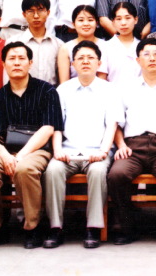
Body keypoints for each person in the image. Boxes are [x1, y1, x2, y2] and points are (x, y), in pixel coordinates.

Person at [0, 42, 62, 249]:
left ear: (30, 63)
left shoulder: (47, 91)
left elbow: (48, 129)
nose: (16, 63)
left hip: (37, 149)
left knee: (24, 169)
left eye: (21, 58)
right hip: (5, 149)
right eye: (11, 59)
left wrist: (21, 155)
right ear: (3, 64)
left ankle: (32, 227)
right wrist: (5, 155)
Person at [108, 37, 156, 245]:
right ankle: (127, 227)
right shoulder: (125, 88)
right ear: (138, 60)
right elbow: (116, 122)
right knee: (116, 175)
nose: (152, 58)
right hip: (133, 147)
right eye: (146, 54)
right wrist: (121, 145)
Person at [45, 41, 120, 249]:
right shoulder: (63, 90)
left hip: (97, 152)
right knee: (52, 170)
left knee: (97, 171)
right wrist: (57, 150)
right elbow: (57, 125)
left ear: (99, 63)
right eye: (80, 58)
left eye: (90, 58)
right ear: (73, 64)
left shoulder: (110, 90)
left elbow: (112, 125)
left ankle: (93, 227)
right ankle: (55, 227)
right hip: (67, 151)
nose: (85, 62)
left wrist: (103, 151)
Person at [19, 0, 62, 86]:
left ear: (48, 12)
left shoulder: (59, 45)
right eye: (31, 11)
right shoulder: (15, 43)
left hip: (51, 92)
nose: (36, 16)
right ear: (24, 14)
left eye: (40, 10)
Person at [56, 5, 109, 83]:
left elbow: (104, 80)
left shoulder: (106, 46)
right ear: (73, 24)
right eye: (81, 20)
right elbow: (64, 82)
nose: (86, 24)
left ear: (96, 23)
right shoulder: (65, 49)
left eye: (90, 20)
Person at [103, 2, 141, 83]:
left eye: (128, 18)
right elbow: (101, 79)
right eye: (119, 19)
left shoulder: (143, 46)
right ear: (113, 22)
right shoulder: (105, 47)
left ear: (135, 19)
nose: (123, 23)